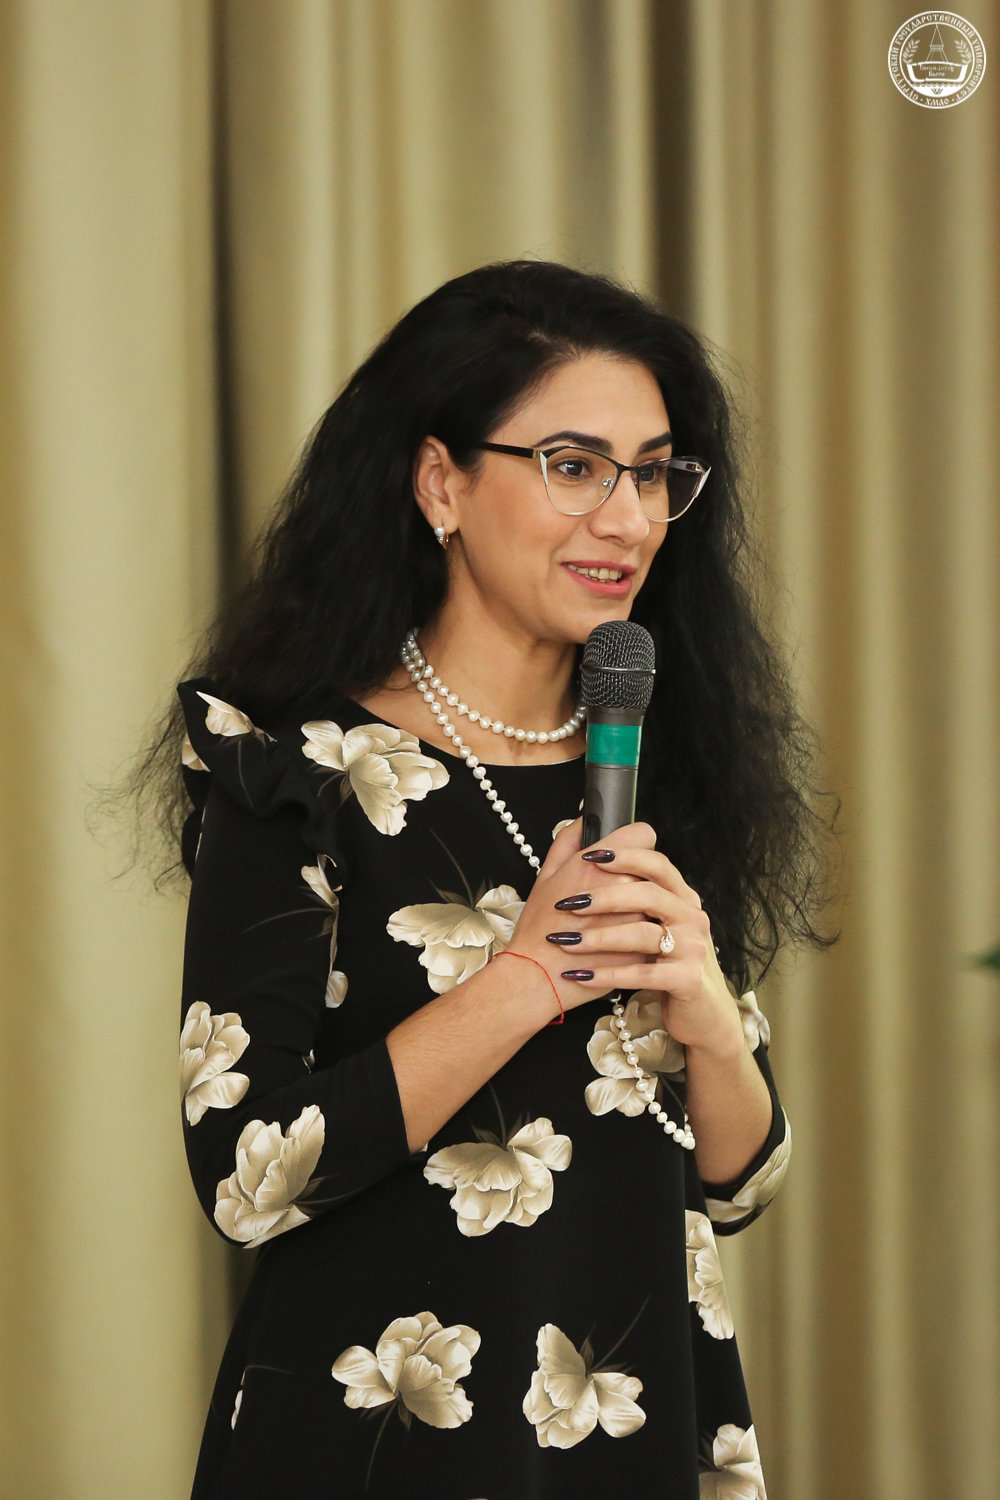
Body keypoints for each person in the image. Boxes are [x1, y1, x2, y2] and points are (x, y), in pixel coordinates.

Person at [168, 260, 835, 1498]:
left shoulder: (656, 764)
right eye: (574, 466)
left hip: (637, 1420)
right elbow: (246, 1179)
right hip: (380, 1436)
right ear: (441, 482)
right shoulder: (298, 770)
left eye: (652, 473)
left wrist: (708, 1019)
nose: (627, 520)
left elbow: (741, 1181)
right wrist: (526, 977)